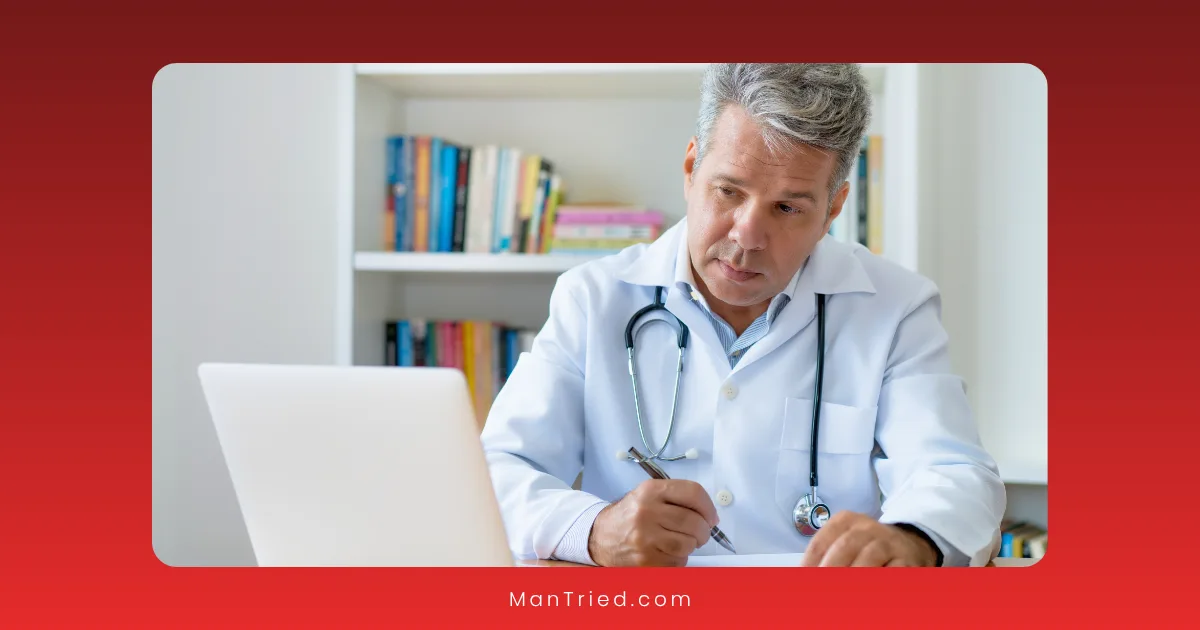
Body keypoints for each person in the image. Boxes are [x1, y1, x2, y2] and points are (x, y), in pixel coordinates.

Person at [478, 63, 1006, 567]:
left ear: (834, 209)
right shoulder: (592, 299)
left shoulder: (894, 308)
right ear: (691, 170)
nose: (746, 237)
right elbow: (496, 472)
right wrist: (595, 530)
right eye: (728, 191)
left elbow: (955, 472)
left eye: (788, 208)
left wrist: (913, 539)